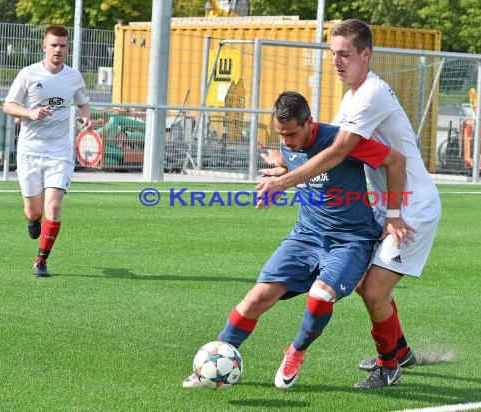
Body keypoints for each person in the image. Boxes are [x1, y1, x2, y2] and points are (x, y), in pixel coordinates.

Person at [255, 19, 442, 389]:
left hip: (410, 207)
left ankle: (389, 366)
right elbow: (324, 142)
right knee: (366, 287)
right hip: (390, 202)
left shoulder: (371, 93)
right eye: (333, 54)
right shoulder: (353, 95)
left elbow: (339, 151)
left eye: (345, 54)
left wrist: (284, 181)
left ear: (366, 55)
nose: (337, 62)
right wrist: (285, 158)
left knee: (373, 290)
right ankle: (399, 350)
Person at [183, 91, 407, 389]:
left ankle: (295, 352)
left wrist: (393, 214)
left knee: (320, 296)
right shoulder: (287, 144)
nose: (286, 140)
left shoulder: (343, 141)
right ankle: (212, 361)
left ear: (309, 123)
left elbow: (396, 161)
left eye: (291, 133)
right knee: (256, 298)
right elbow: (302, 166)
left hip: (349, 240)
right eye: (280, 134)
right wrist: (280, 170)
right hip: (305, 236)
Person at [3, 25, 92, 277]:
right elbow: (9, 105)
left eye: (62, 45)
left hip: (60, 151)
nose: (58, 49)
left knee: (53, 205)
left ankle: (40, 261)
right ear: (44, 46)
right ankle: (33, 220)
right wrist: (30, 112)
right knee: (35, 211)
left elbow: (83, 104)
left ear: (67, 48)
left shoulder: (73, 77)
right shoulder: (28, 74)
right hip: (30, 151)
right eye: (53, 45)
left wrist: (85, 118)